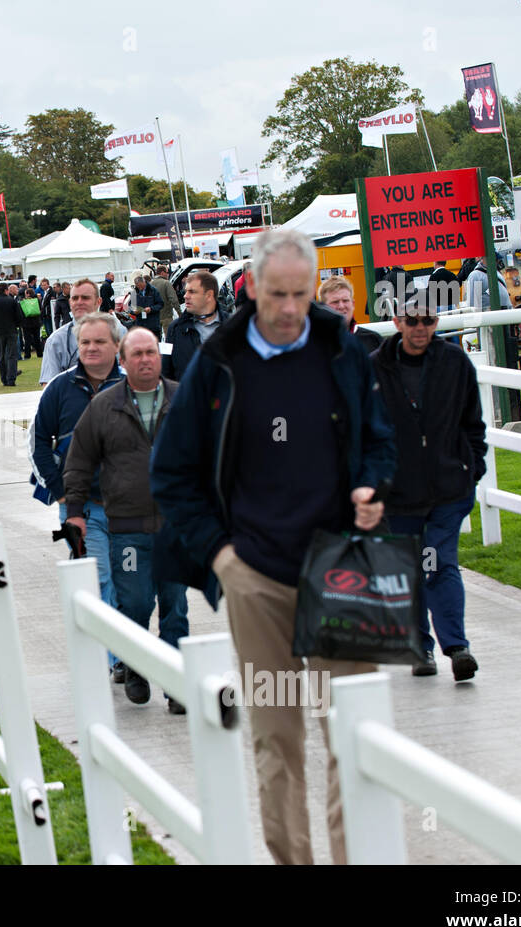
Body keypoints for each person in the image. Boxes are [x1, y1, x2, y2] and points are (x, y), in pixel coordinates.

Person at [150, 229, 397, 865]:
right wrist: (221, 558)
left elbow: (378, 440)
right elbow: (171, 474)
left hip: (341, 568)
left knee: (352, 732)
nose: (290, 309)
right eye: (277, 294)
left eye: (301, 293)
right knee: (277, 739)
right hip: (256, 577)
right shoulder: (217, 363)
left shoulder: (342, 350)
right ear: (252, 287)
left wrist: (372, 484)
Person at [64, 327, 188, 711]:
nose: (145, 360)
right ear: (123, 361)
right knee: (134, 603)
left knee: (175, 606)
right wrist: (75, 513)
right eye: (137, 354)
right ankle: (134, 664)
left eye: (151, 352)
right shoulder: (104, 407)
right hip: (127, 528)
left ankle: (177, 685)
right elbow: (80, 462)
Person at [372, 287, 485, 681]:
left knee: (437, 561)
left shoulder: (454, 362)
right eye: (413, 320)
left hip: (447, 488)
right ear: (397, 322)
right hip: (398, 493)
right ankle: (420, 649)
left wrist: (474, 466)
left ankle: (456, 647)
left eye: (429, 320)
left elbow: (473, 421)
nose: (421, 328)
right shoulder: (375, 368)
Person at [29, 312, 125, 670]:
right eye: (85, 342)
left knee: (127, 580)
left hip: (129, 507)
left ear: (116, 345)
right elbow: (38, 441)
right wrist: (59, 491)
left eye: (100, 342)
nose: (91, 348)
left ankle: (121, 652)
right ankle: (120, 659)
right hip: (80, 508)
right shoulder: (59, 388)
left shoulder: (134, 386)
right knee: (100, 576)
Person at [40, 279, 127, 385]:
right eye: (75, 298)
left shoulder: (119, 332)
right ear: (70, 302)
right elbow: (49, 386)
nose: (79, 302)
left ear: (98, 302)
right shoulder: (55, 341)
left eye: (85, 298)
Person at [163, 271, 226, 381]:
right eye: (186, 291)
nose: (185, 296)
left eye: (192, 292)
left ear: (209, 295)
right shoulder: (175, 329)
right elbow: (166, 373)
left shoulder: (233, 326)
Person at [317, 276, 381, 353]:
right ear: (323, 307)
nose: (341, 306)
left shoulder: (373, 340)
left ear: (353, 304)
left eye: (345, 301)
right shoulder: (314, 345)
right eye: (335, 302)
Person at [0, 283, 24, 387]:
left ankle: (4, 379)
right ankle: (11, 379)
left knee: (1, 356)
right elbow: (19, 317)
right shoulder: (13, 302)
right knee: (12, 355)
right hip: (11, 331)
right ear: (7, 290)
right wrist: (16, 325)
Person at [126, 272, 162, 338]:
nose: (139, 288)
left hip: (153, 325)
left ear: (144, 282)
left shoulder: (153, 291)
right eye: (138, 286)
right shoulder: (134, 292)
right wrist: (133, 311)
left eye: (140, 286)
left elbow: (160, 304)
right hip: (141, 325)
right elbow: (130, 307)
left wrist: (151, 309)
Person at [151, 264, 181, 336]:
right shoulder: (166, 283)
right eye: (167, 272)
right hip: (166, 317)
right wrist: (179, 312)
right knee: (169, 338)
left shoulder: (150, 284)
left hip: (155, 317)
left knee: (157, 339)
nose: (168, 274)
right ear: (162, 273)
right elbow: (173, 299)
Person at [19, 287, 43, 359]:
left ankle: (27, 355)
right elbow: (40, 309)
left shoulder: (23, 302)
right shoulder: (37, 301)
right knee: (37, 339)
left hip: (26, 323)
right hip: (36, 322)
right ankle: (39, 353)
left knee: (27, 340)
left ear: (27, 294)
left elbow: (21, 312)